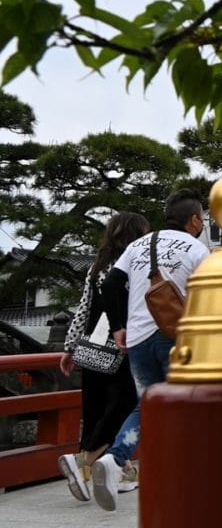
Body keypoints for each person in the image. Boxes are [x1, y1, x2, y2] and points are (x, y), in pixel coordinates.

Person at [91, 189, 210, 511]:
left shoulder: (139, 244)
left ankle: (115, 460)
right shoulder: (198, 249)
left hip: (140, 339)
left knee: (148, 405)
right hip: (180, 339)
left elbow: (110, 284)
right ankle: (188, 478)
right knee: (189, 406)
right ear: (195, 219)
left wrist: (119, 327)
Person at [57, 212, 149, 503]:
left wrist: (70, 346)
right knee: (125, 407)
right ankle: (85, 459)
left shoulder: (96, 267)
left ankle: (115, 472)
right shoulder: (135, 264)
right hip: (124, 342)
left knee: (95, 406)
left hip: (93, 346)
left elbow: (83, 308)